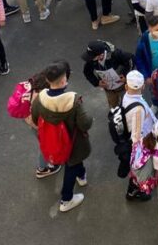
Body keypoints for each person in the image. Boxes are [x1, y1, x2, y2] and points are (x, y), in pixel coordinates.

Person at [30, 61, 93, 212]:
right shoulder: (74, 100)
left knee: (71, 163)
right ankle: (66, 199)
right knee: (71, 164)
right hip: (74, 142)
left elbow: (34, 118)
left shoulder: (41, 98)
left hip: (52, 140)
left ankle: (82, 175)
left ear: (47, 80)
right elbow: (85, 124)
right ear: (64, 80)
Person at [123, 70, 157, 201]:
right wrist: (141, 155)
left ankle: (134, 189)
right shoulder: (138, 109)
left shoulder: (127, 97)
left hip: (140, 141)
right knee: (141, 170)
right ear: (143, 87)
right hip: (143, 144)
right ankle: (135, 191)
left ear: (126, 87)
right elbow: (136, 136)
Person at [81, 40, 132, 108]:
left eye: (92, 57)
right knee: (113, 107)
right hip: (108, 89)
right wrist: (97, 82)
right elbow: (87, 72)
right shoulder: (91, 60)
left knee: (127, 105)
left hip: (123, 87)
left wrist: (126, 76)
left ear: (101, 55)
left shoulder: (116, 54)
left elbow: (130, 61)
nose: (89, 59)